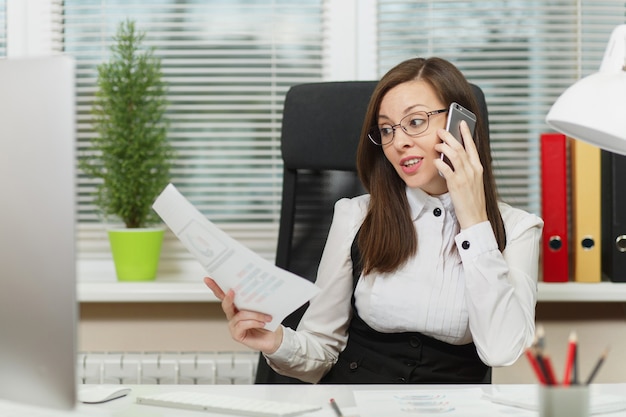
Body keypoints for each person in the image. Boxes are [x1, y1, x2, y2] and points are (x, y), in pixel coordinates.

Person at [205, 57, 543, 384]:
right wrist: (275, 340)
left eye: (415, 122)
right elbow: (322, 349)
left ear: (462, 125)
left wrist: (473, 220)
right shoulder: (355, 217)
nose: (398, 142)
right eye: (386, 129)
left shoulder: (517, 229)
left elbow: (502, 351)